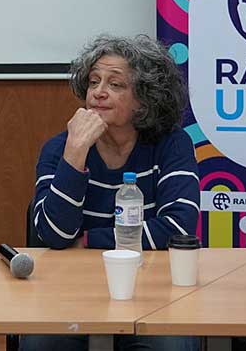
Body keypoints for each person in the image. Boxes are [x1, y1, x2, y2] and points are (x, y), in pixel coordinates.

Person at [24, 34, 200, 351]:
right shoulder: (60, 148)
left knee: (169, 346)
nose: (98, 93)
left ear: (145, 99)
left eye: (115, 84)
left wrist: (90, 240)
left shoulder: (171, 145)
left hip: (153, 293)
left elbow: (179, 227)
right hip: (71, 293)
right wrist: (75, 153)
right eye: (93, 82)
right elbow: (53, 235)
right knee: (42, 344)